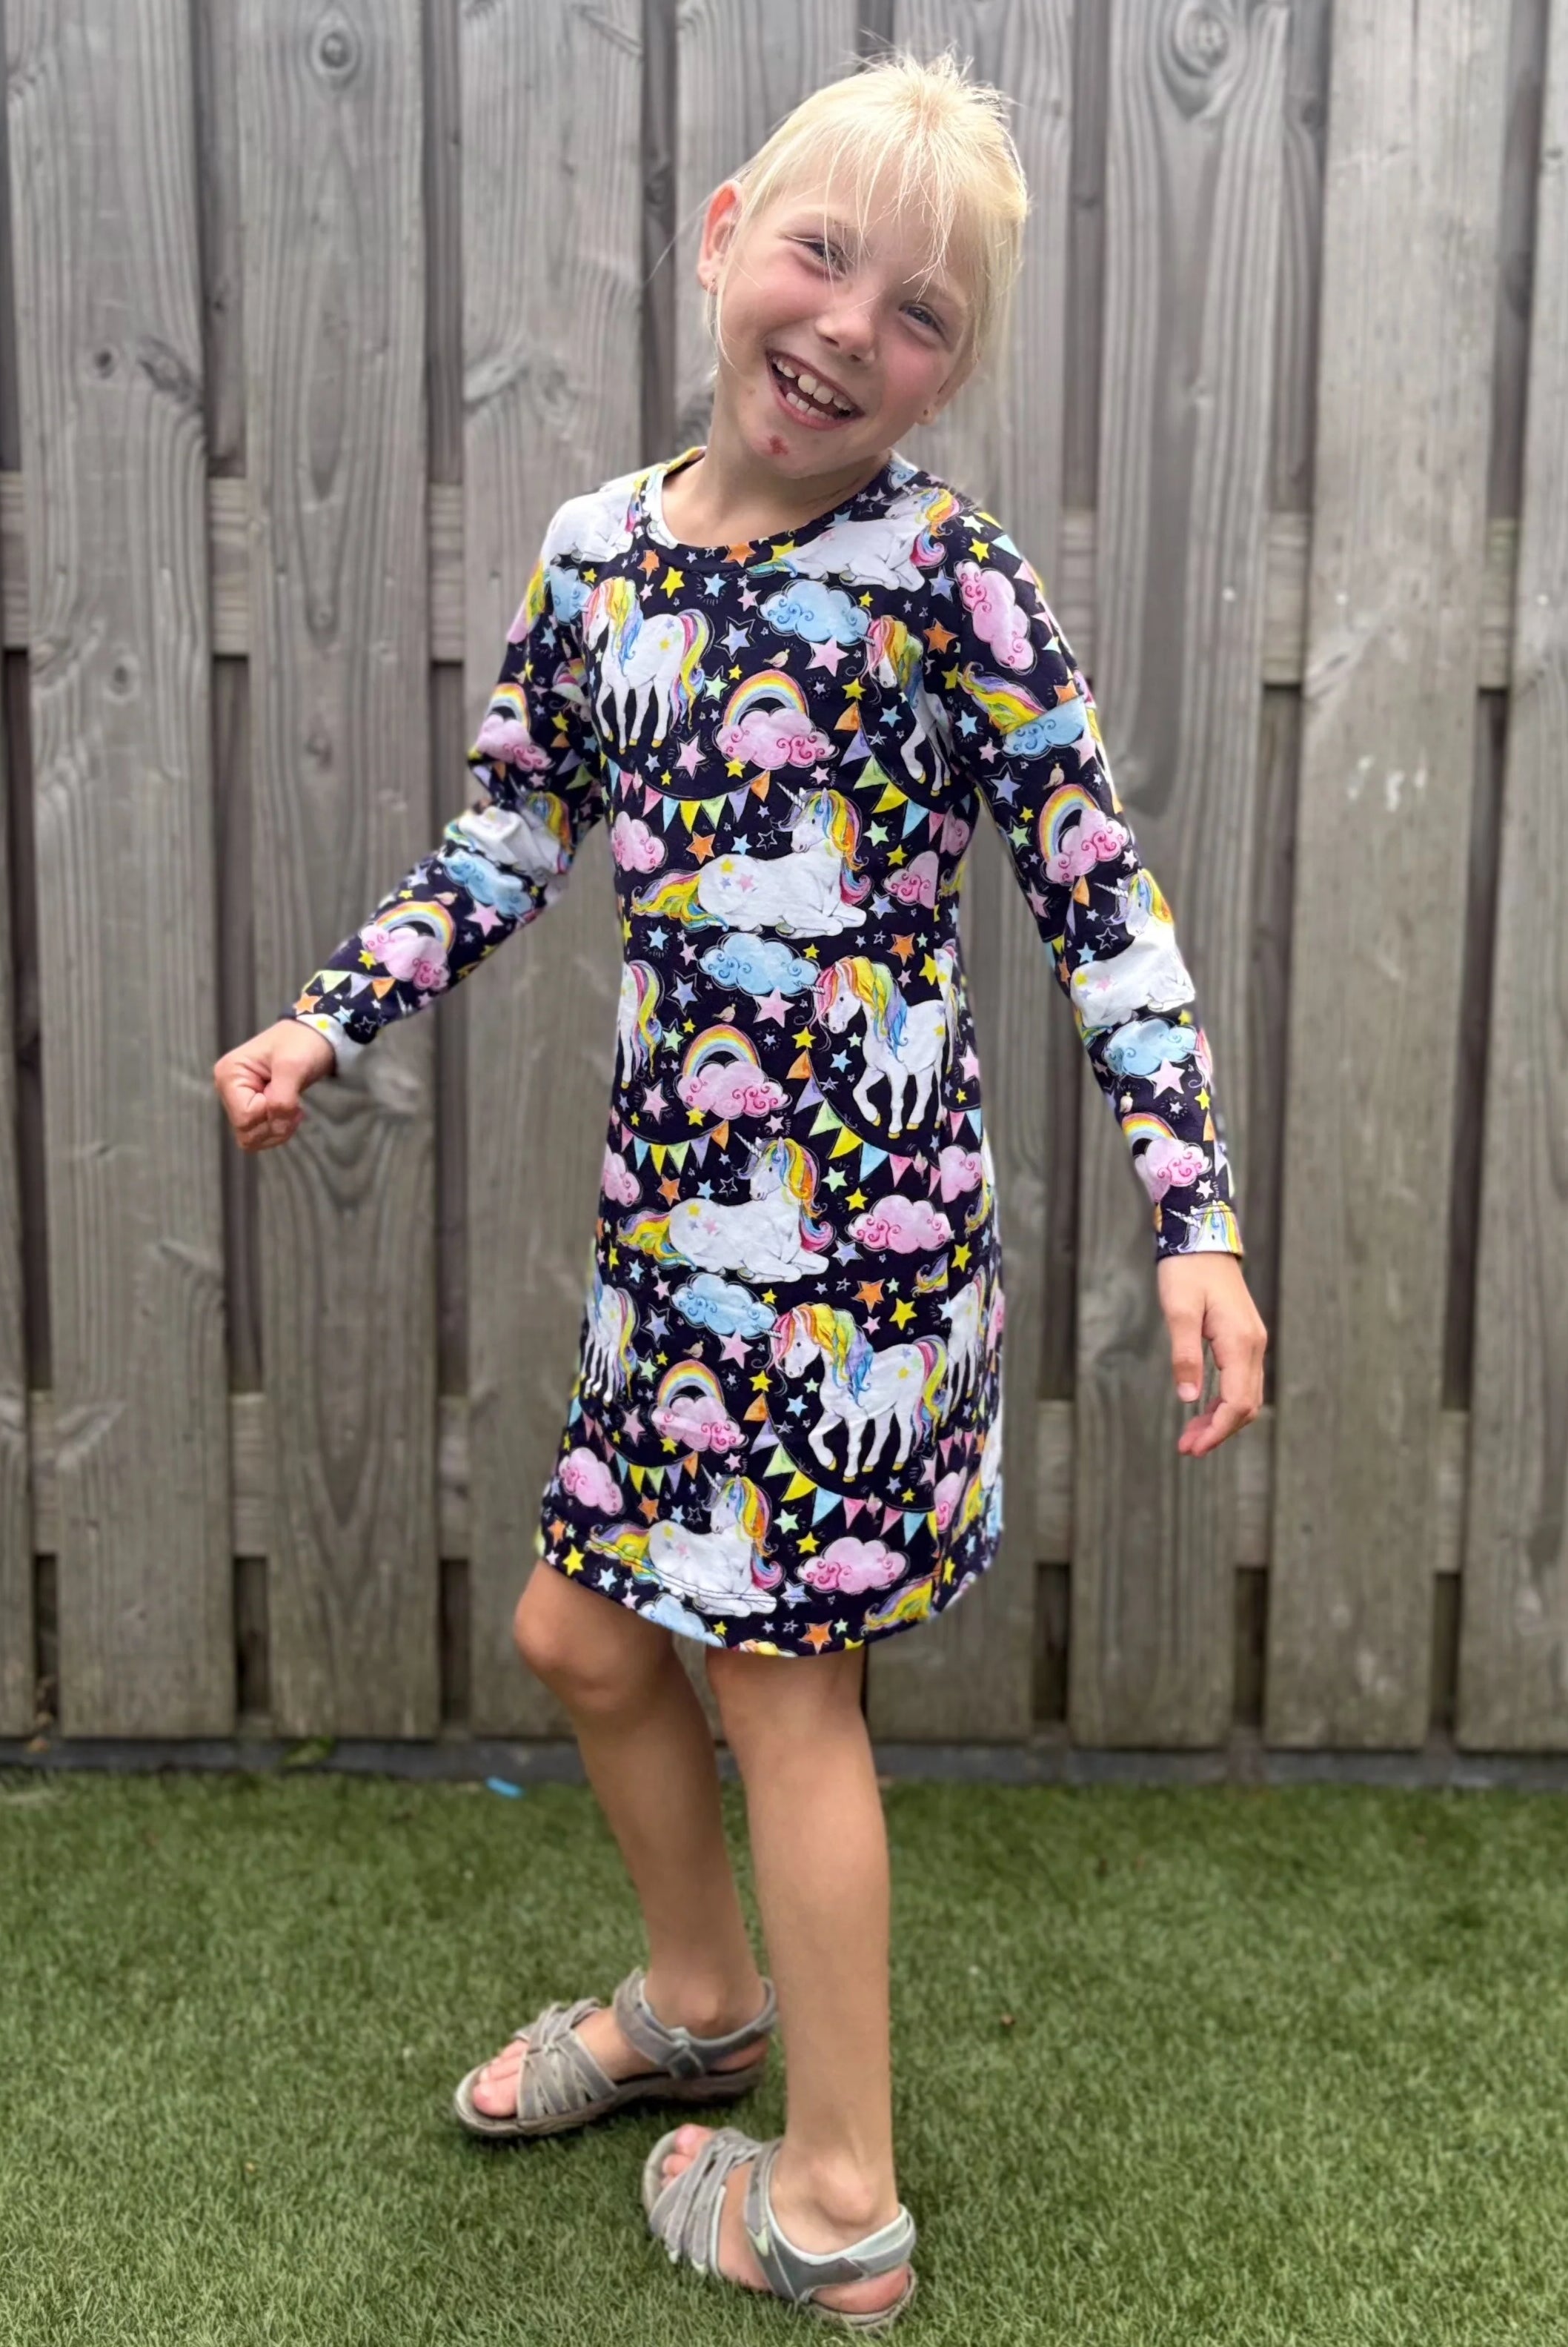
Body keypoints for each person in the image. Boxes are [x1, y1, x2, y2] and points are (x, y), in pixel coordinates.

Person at [214, 44, 1267, 2332]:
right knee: (586, 1637)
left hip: (861, 1273)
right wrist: (334, 1010)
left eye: (919, 315)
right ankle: (705, 2001)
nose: (849, 328)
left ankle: (836, 2202)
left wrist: (1195, 1215)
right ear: (720, 235)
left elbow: (1099, 895)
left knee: (786, 1688)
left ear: (948, 368)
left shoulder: (946, 579)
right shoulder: (596, 554)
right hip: (668, 1252)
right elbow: (512, 828)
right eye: (820, 255)